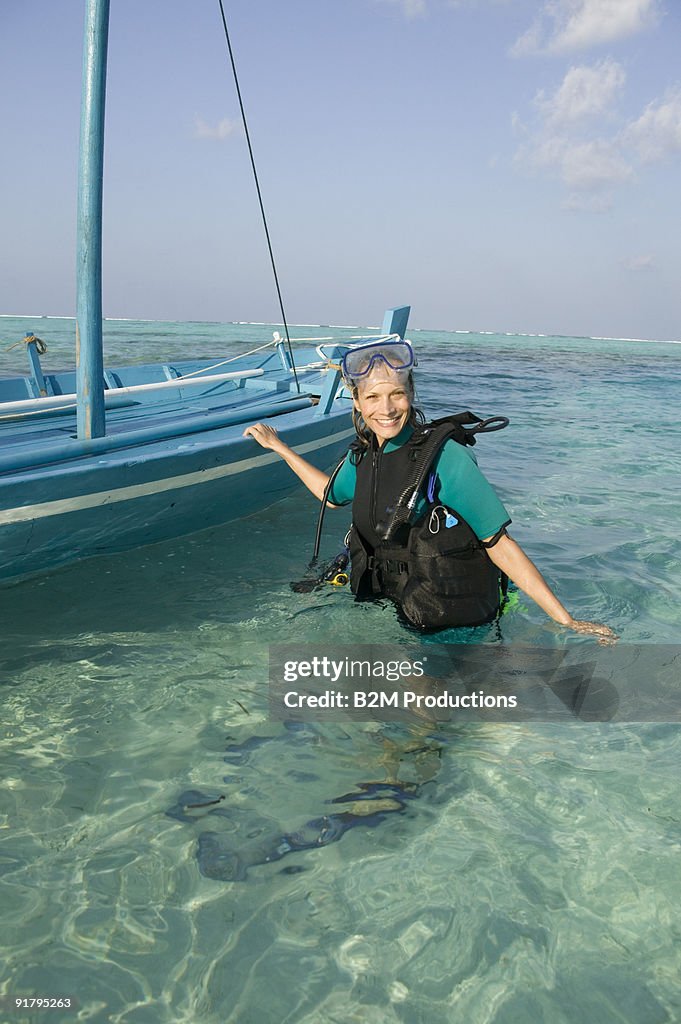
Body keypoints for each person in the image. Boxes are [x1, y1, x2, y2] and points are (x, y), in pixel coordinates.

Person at [243, 339, 617, 640]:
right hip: (392, 601)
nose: (386, 409)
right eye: (372, 397)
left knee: (419, 724)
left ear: (411, 395)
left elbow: (500, 545)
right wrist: (280, 447)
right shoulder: (363, 456)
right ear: (355, 402)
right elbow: (330, 493)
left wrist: (566, 621)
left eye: (397, 394)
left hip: (445, 617)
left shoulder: (444, 458)